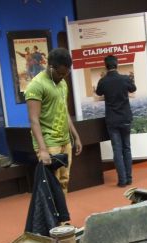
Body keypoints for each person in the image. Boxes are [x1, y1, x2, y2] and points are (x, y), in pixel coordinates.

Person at [24, 47, 82, 195]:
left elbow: (64, 111)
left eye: (66, 74)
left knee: (64, 181)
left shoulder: (62, 83)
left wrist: (75, 136)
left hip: (65, 141)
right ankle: (53, 212)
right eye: (60, 73)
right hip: (49, 143)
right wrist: (43, 149)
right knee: (51, 185)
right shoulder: (36, 85)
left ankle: (62, 211)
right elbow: (33, 119)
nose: (62, 77)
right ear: (50, 67)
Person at [95, 55, 137, 187]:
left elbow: (98, 93)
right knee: (127, 148)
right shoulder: (124, 79)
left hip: (112, 120)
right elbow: (133, 89)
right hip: (125, 118)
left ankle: (122, 180)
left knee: (117, 150)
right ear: (117, 64)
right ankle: (129, 178)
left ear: (105, 66)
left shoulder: (103, 81)